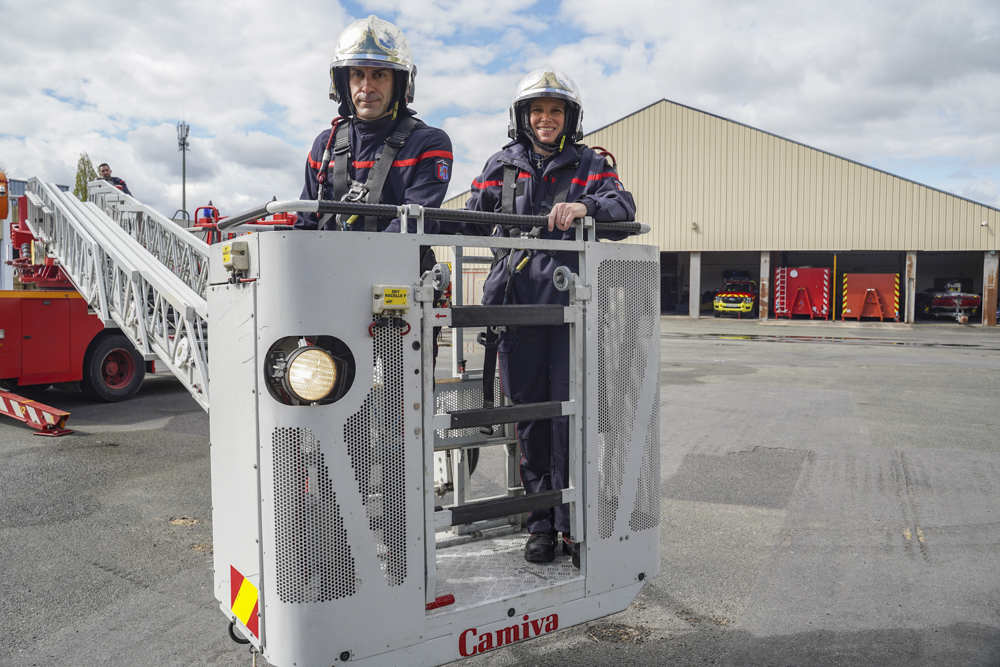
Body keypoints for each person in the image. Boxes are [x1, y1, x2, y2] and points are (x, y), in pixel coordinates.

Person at [466, 67, 636, 565]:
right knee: (531, 423)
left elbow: (623, 208)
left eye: (555, 111)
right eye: (537, 111)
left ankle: (574, 526)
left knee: (572, 422)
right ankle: (540, 524)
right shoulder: (501, 164)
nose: (545, 119)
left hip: (570, 317)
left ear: (570, 118)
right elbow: (472, 214)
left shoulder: (589, 164)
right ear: (523, 117)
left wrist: (585, 207)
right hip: (516, 313)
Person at [295, 14, 453, 246]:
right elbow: (304, 224)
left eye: (379, 75)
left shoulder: (429, 143)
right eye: (358, 74)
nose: (367, 87)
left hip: (398, 276)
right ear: (343, 82)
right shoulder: (324, 144)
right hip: (325, 274)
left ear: (399, 83)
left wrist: (356, 263)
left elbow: (412, 225)